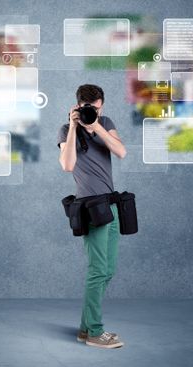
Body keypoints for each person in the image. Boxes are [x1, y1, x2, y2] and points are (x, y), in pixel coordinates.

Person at [57, 84, 127, 349]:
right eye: (87, 109)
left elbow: (121, 152)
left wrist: (95, 125)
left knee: (108, 270)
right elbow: (67, 165)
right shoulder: (66, 130)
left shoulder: (105, 122)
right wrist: (75, 127)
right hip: (90, 206)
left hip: (110, 204)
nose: (92, 112)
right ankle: (96, 332)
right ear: (77, 106)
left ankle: (86, 329)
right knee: (98, 270)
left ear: (101, 106)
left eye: (95, 109)